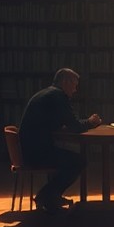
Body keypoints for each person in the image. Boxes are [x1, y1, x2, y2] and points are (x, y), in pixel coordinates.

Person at [18, 68, 101, 214]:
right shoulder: (58, 96)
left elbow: (60, 122)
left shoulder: (46, 93)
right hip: (37, 154)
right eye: (74, 85)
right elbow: (75, 126)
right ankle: (46, 195)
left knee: (69, 159)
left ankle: (52, 196)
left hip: (28, 150)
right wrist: (91, 121)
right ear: (65, 82)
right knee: (79, 161)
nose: (75, 90)